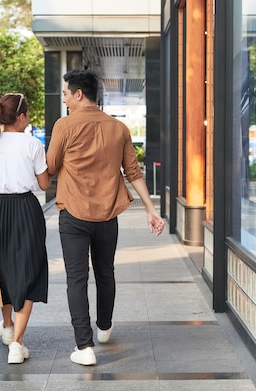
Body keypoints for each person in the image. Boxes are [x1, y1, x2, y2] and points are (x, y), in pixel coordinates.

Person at [47, 69, 165, 366]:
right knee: (105, 272)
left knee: (76, 279)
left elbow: (50, 167)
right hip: (108, 215)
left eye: (65, 94)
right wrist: (151, 210)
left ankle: (84, 347)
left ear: (78, 94)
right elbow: (133, 173)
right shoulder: (119, 128)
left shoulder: (64, 126)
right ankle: (104, 326)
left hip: (73, 214)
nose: (64, 99)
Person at [0, 93, 50, 364]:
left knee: (2, 269)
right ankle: (16, 343)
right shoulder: (32, 144)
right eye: (27, 116)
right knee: (30, 270)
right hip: (26, 210)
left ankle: (7, 327)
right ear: (21, 117)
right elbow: (44, 185)